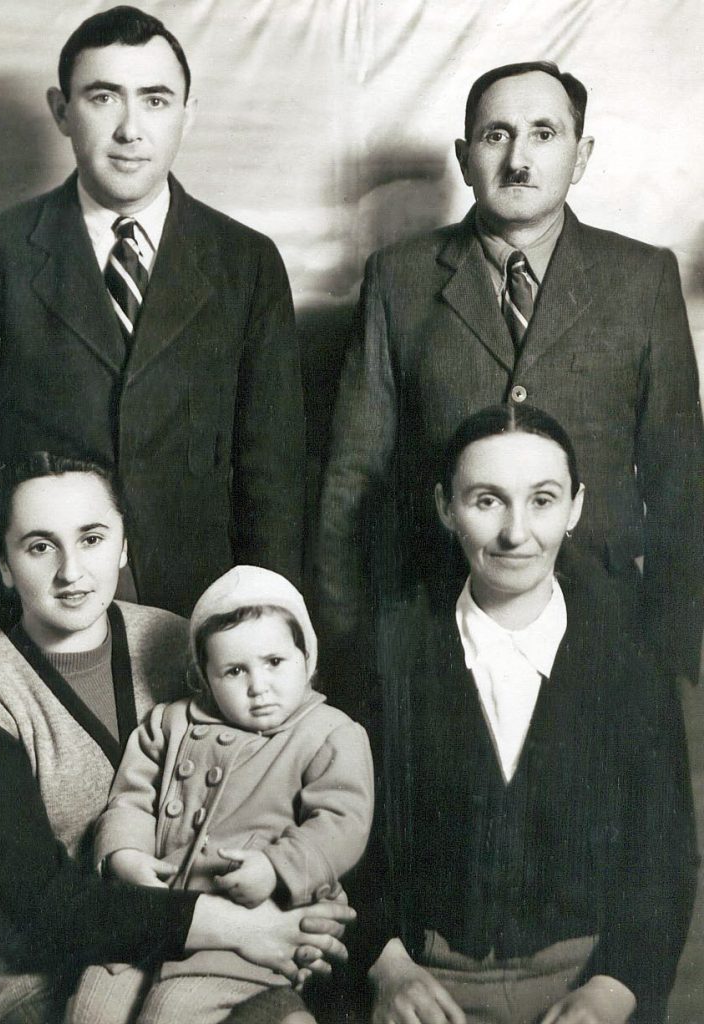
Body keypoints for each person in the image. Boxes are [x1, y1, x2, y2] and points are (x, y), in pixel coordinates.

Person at [0, 4, 305, 689]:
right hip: (34, 619)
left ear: (187, 111)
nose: (131, 129)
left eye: (155, 100)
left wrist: (270, 627)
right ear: (62, 110)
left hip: (198, 617)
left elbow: (271, 474)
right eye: (104, 97)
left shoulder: (246, 262)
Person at [318, 60, 704, 702]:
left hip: (604, 636)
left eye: (544, 134)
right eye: (496, 136)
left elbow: (680, 478)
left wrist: (670, 653)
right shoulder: (398, 279)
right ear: (465, 157)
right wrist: (350, 645)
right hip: (434, 627)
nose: (518, 159)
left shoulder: (642, 278)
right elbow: (354, 475)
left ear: (581, 157)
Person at [0, 455, 354, 1024]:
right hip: (27, 974)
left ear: (124, 546)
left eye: (93, 538)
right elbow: (48, 910)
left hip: (197, 949)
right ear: (4, 564)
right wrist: (242, 928)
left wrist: (312, 915)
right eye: (39, 546)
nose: (71, 571)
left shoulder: (182, 642)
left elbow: (298, 765)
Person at [357, 405, 697, 1024]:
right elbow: (350, 845)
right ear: (444, 507)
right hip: (425, 983)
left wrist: (610, 992)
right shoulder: (389, 654)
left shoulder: (631, 660)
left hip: (584, 980)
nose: (517, 532)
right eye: (487, 501)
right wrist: (389, 969)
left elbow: (664, 859)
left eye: (542, 500)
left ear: (575, 507)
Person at [67, 565, 374, 1024]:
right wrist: (125, 854)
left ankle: (271, 1005)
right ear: (205, 678)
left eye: (274, 662)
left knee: (170, 1015)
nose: (258, 686)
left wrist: (275, 867)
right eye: (234, 671)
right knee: (91, 1010)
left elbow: (343, 821)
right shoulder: (169, 723)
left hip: (256, 916)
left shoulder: (330, 733)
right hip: (162, 910)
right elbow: (131, 798)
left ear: (306, 658)